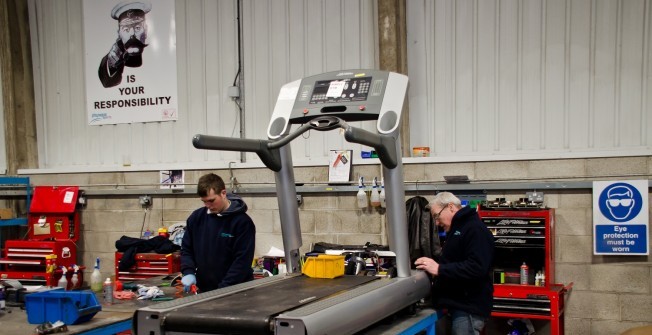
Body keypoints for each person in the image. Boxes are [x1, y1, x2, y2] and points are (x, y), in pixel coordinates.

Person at [414, 192, 494, 335]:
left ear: (450, 207)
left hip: (467, 309)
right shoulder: (457, 229)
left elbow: (476, 268)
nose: (437, 222)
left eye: (437, 216)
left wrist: (439, 269)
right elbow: (457, 261)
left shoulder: (474, 229)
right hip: (458, 306)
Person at [180, 173, 256, 292]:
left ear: (223, 193)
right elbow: (186, 249)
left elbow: (242, 262)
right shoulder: (196, 218)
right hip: (205, 290)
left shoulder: (242, 222)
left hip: (236, 291)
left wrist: (222, 290)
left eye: (211, 200)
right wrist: (188, 271)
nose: (208, 206)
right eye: (204, 201)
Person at [98, 1, 152, 88]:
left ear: (145, 30)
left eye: (137, 28)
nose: (132, 34)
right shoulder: (114, 56)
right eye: (126, 29)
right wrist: (111, 63)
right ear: (119, 34)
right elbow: (108, 83)